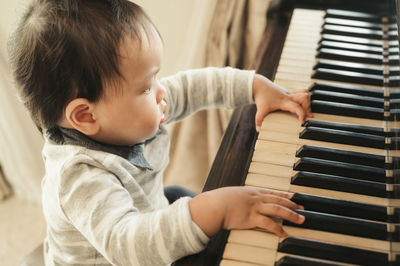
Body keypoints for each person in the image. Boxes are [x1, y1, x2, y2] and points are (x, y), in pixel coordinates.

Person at [9, 0, 311, 265]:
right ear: (85, 115)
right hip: (120, 255)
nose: (161, 91)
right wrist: (218, 209)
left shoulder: (128, 114)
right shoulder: (79, 179)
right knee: (205, 214)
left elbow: (192, 87)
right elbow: (132, 247)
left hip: (144, 210)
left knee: (184, 198)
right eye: (145, 87)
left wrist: (254, 86)